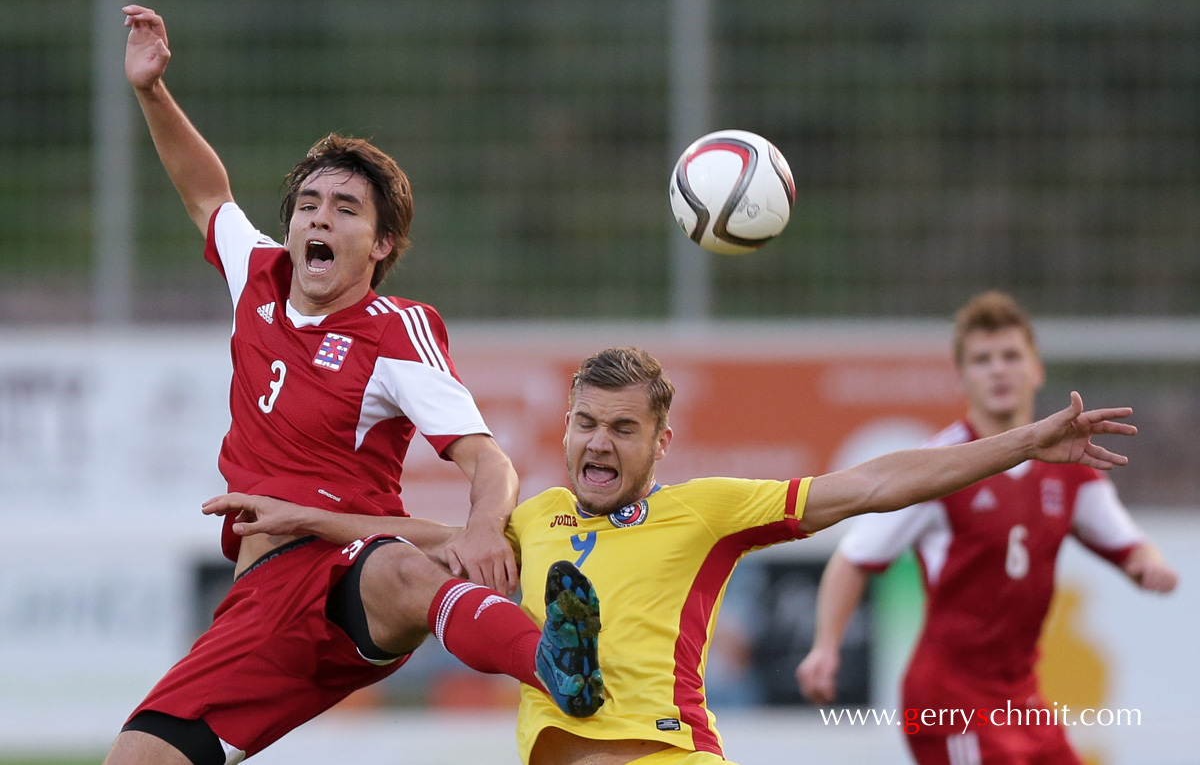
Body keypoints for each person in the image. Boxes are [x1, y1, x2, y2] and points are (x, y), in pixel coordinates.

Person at [206, 345, 1141, 765]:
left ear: (662, 443)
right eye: (585, 423)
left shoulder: (706, 510)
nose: (599, 443)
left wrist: (1018, 441)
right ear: (564, 430)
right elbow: (414, 540)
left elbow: (873, 484)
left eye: (623, 428)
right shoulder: (530, 521)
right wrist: (291, 512)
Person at [107, 5, 602, 765]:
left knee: (403, 569)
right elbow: (206, 193)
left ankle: (557, 664)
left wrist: (478, 525)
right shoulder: (259, 273)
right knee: (138, 759)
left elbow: (486, 459)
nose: (319, 219)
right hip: (260, 600)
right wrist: (151, 92)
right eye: (308, 204)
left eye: (345, 209)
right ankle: (511, 570)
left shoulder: (391, 328)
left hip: (346, 571)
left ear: (381, 244)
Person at [796, 292, 1179, 765]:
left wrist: (1151, 566)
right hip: (949, 700)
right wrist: (825, 648)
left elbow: (1128, 545)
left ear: (1036, 369)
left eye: (1011, 356)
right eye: (981, 359)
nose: (998, 370)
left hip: (1022, 699)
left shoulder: (1071, 468)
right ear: (961, 377)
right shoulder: (938, 469)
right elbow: (854, 558)